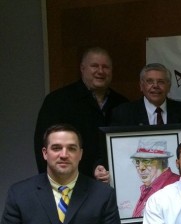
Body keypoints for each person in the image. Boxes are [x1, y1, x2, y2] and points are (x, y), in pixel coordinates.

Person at [0, 124, 123, 224]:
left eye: (71, 148)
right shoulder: (19, 193)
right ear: (45, 153)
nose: (64, 155)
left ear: (80, 154)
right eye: (56, 148)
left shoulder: (103, 195)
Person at [34, 47, 128, 182]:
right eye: (94, 66)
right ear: (82, 69)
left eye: (105, 67)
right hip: (71, 184)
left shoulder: (122, 103)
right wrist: (50, 184)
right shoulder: (58, 100)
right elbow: (42, 144)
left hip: (113, 185)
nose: (100, 71)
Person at [111, 63, 181, 140]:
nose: (155, 86)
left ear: (169, 87)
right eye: (150, 81)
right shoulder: (123, 113)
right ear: (141, 86)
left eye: (161, 82)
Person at [130, 139, 179, 217]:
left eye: (147, 161)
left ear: (162, 162)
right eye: (137, 162)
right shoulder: (148, 187)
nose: (141, 167)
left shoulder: (177, 185)